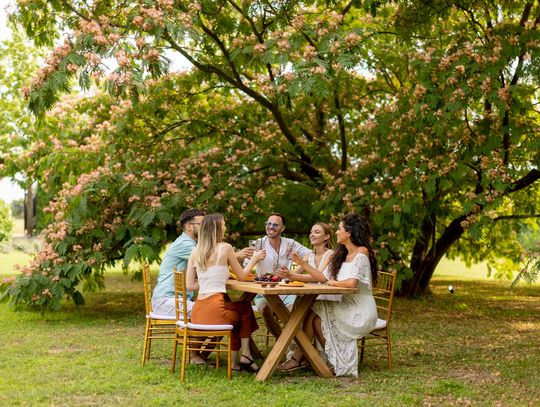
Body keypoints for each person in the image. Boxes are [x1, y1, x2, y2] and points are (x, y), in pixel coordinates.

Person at [278, 213, 378, 377]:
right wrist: (300, 267)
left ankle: (302, 358)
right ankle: (322, 361)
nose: (337, 232)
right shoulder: (342, 254)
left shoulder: (362, 252)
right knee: (312, 313)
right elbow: (324, 277)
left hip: (359, 310)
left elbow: (351, 283)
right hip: (345, 304)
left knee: (313, 311)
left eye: (339, 229)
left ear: (349, 233)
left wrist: (333, 283)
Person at [152, 208, 252, 364]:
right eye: (202, 223)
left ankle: (201, 354)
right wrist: (234, 256)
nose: (206, 226)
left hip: (178, 297)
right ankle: (195, 356)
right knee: (214, 313)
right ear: (189, 227)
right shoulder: (187, 244)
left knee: (218, 310)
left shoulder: (195, 244)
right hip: (167, 300)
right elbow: (209, 257)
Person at [186, 213, 266, 372]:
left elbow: (190, 285)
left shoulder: (196, 252)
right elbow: (242, 276)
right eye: (223, 225)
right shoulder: (226, 247)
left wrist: (209, 281)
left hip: (198, 311)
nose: (225, 228)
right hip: (215, 310)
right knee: (241, 313)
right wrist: (254, 259)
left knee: (241, 309)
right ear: (216, 229)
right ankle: (243, 357)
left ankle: (242, 358)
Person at [249, 213, 311, 339]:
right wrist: (253, 260)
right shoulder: (257, 244)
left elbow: (310, 254)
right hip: (264, 291)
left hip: (286, 291)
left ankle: (292, 346)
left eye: (275, 224)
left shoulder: (290, 243)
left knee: (296, 315)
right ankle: (283, 342)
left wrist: (294, 273)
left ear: (282, 228)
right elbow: (245, 266)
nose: (270, 227)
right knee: (265, 310)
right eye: (268, 223)